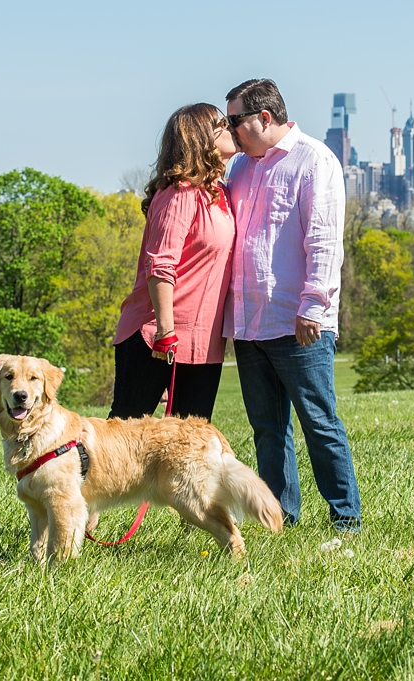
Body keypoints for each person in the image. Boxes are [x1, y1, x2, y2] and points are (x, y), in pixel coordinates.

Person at [223, 78, 361, 532]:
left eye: (235, 121)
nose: (230, 131)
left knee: (319, 423)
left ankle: (346, 520)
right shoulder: (240, 167)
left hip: (298, 321)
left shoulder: (314, 159)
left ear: (264, 118)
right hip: (249, 323)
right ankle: (280, 519)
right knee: (268, 430)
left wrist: (313, 308)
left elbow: (324, 241)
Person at [109, 103, 238, 421]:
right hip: (158, 335)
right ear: (201, 138)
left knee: (189, 443)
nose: (231, 127)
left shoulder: (219, 193)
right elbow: (160, 265)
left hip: (204, 340)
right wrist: (165, 332)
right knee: (124, 436)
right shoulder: (180, 194)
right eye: (222, 123)